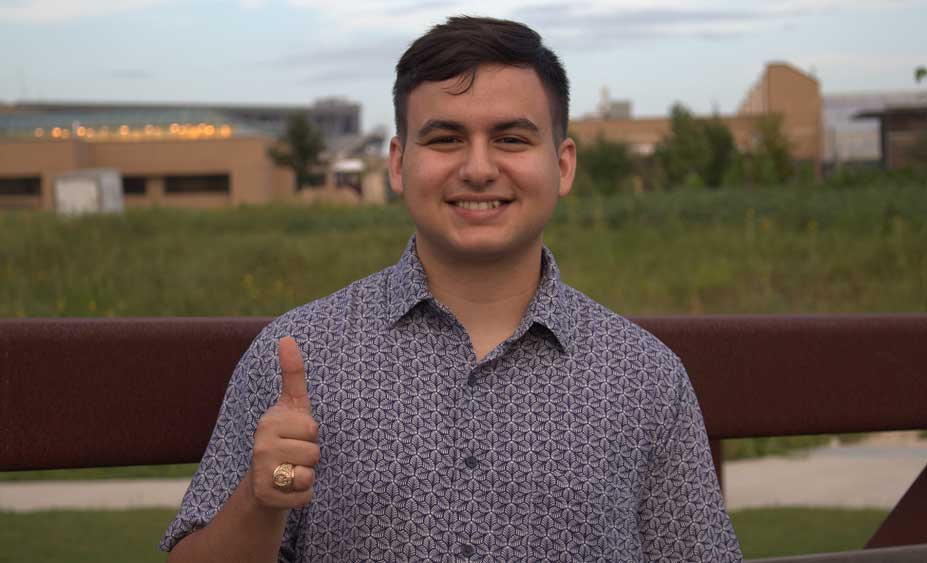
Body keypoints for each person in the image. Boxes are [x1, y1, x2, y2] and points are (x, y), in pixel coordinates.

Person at [161, 15, 742, 562]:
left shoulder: (646, 378)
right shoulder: (298, 357)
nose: (479, 168)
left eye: (512, 139)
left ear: (562, 166)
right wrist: (261, 501)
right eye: (445, 139)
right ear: (397, 163)